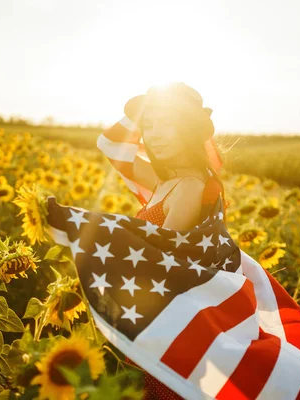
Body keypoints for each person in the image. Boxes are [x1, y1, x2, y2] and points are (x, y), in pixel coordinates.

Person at [109, 82, 228, 399]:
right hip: (149, 320)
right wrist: (139, 111)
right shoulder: (167, 180)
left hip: (166, 330)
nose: (155, 135)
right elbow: (109, 146)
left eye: (168, 125)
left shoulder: (189, 187)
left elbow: (157, 264)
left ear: (188, 130)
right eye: (149, 126)